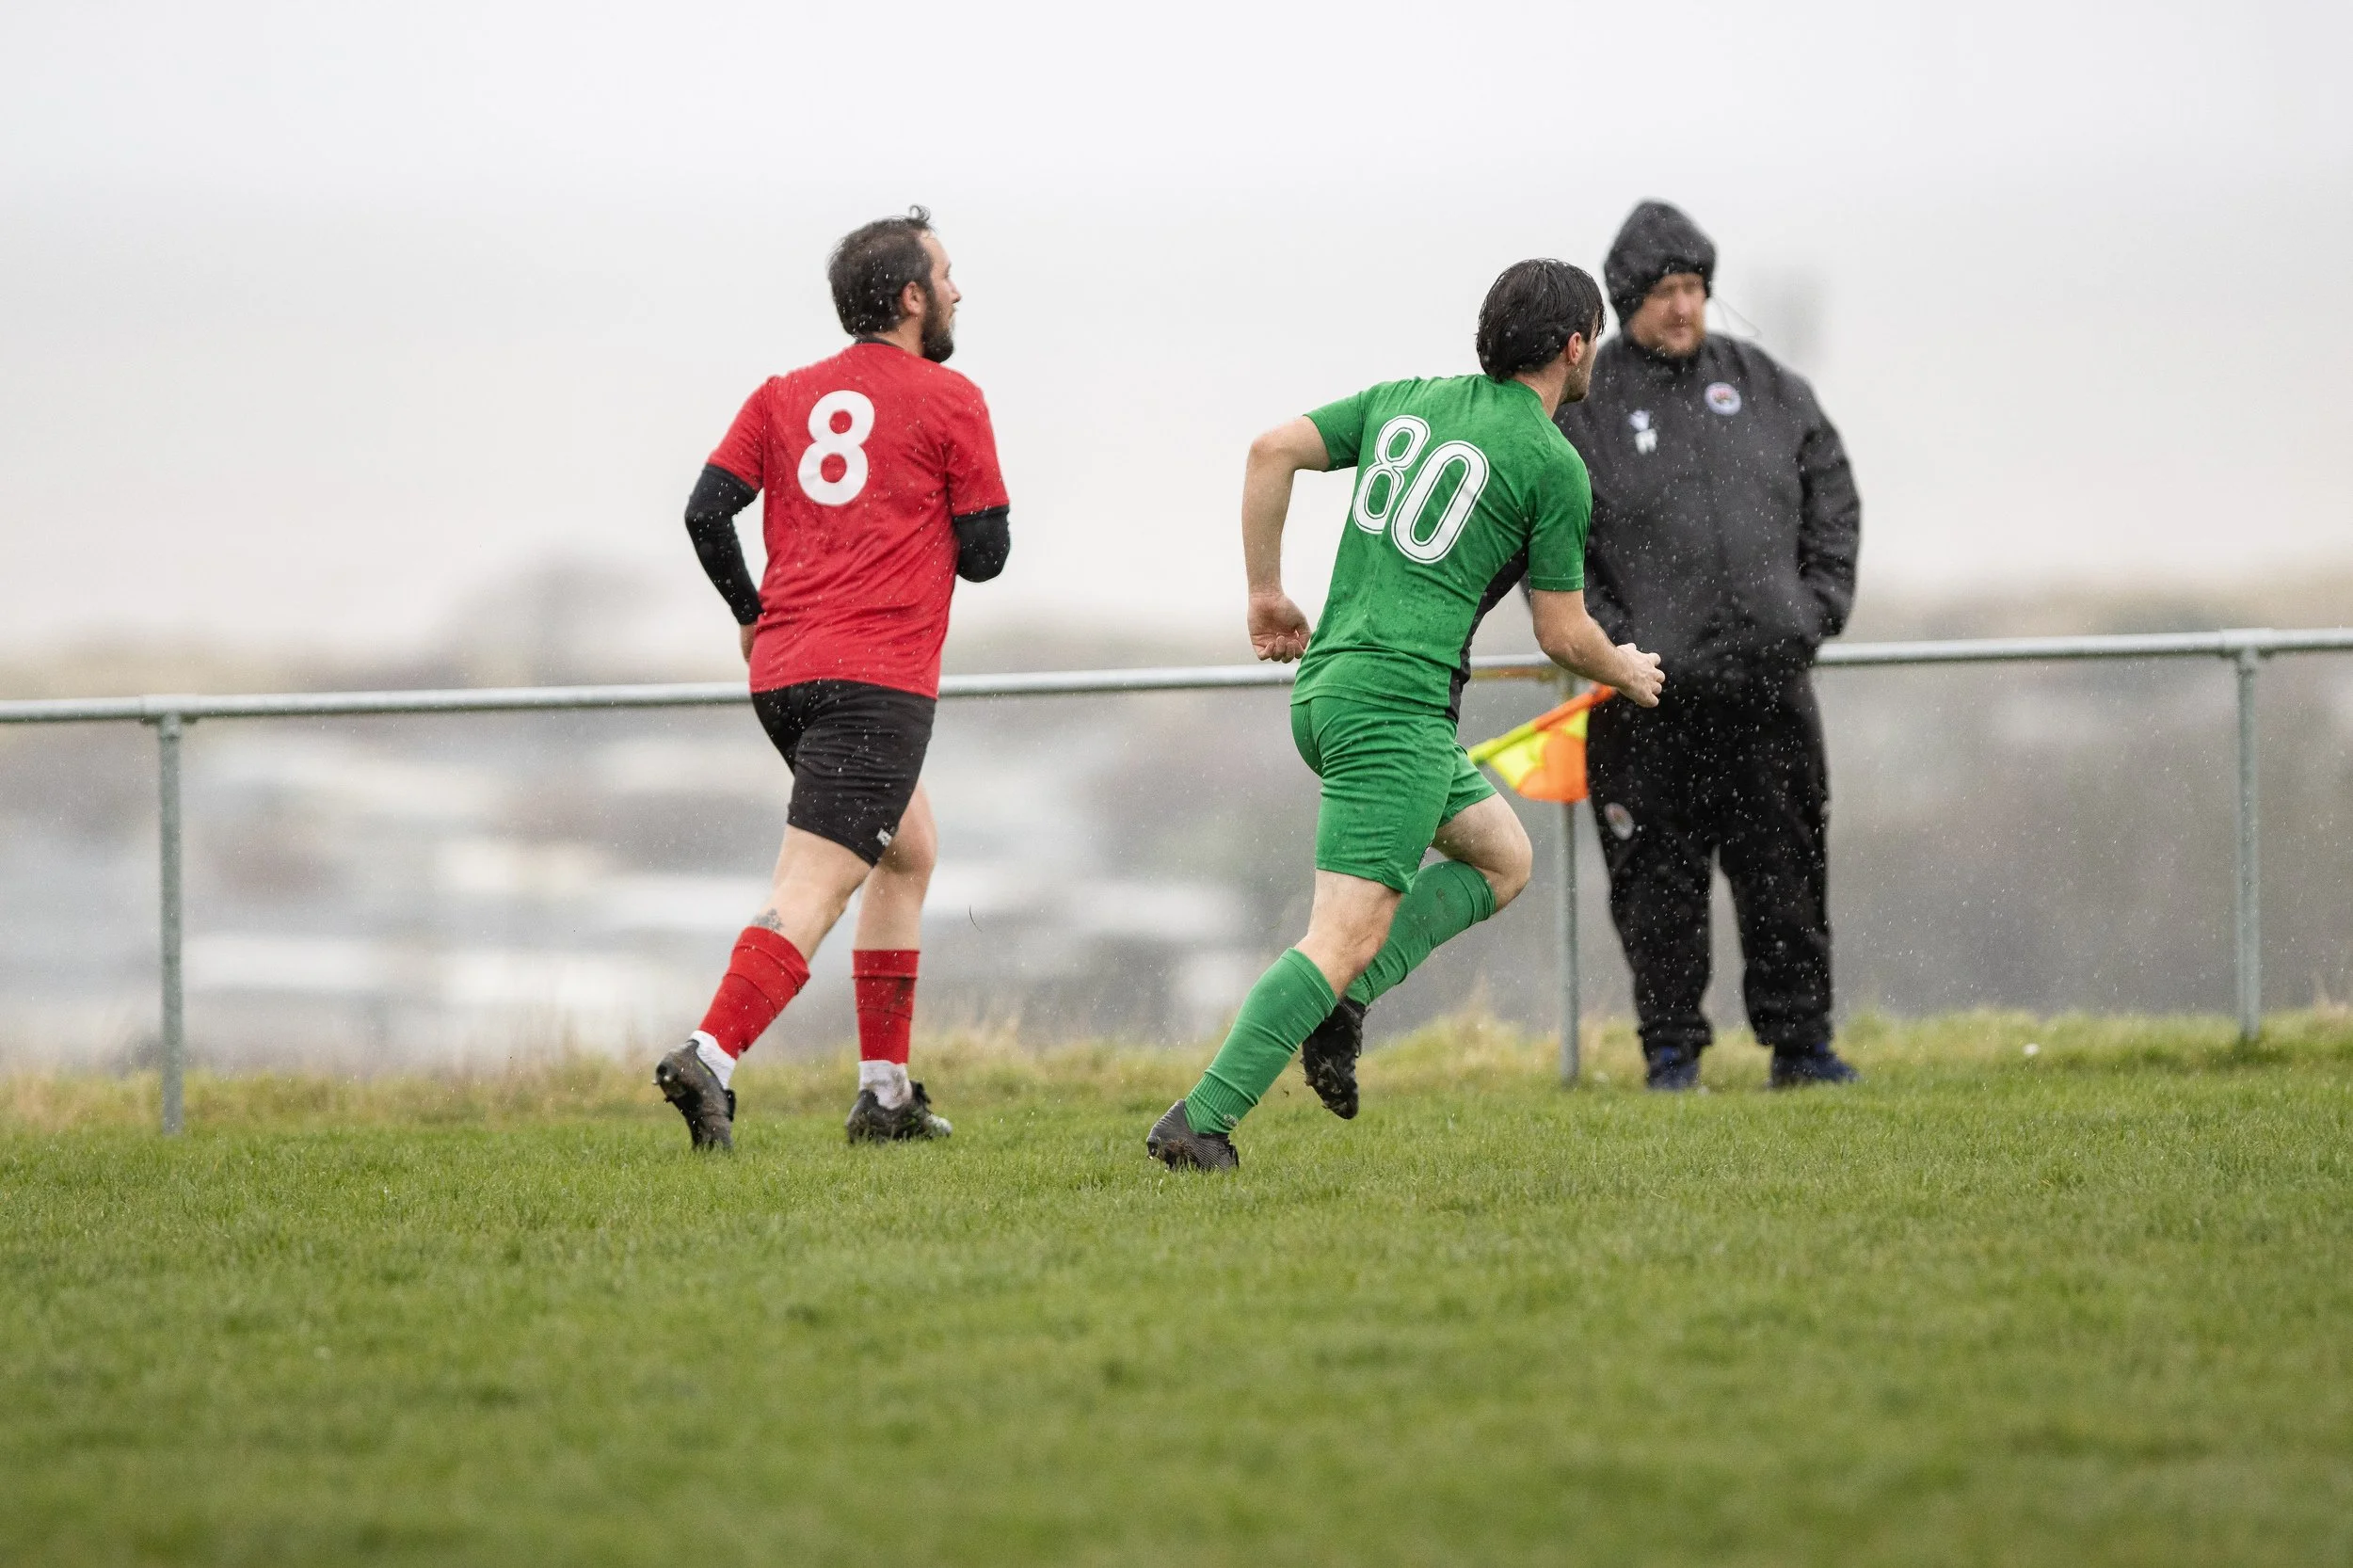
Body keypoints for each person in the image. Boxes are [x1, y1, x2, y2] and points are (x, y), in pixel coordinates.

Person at [1146, 260, 1665, 1172]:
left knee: (1503, 859)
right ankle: (1200, 1122)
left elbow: (1270, 450)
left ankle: (1342, 1001)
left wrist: (1266, 596)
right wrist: (1627, 670)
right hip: (1394, 712)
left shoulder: (1406, 398)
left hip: (1328, 692)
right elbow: (1561, 630)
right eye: (1597, 339)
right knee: (1340, 934)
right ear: (1575, 347)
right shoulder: (1553, 465)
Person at [653, 206, 1012, 1152]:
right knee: (814, 885)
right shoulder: (951, 397)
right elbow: (987, 556)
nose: (957, 290)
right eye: (945, 275)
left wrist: (749, 610)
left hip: (783, 674)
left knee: (908, 851)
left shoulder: (782, 394)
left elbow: (704, 514)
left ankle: (885, 1097)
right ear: (909, 297)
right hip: (875, 681)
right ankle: (709, 1055)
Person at [1553, 200, 1862, 1091]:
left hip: (1770, 692)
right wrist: (1616, 645)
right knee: (1658, 888)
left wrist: (1816, 610)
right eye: (1662, 293)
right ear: (1626, 301)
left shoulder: (1766, 384)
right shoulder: (1589, 406)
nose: (1682, 307)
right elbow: (1559, 546)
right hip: (1645, 704)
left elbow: (1831, 493)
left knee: (1788, 878)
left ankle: (1802, 1048)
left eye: (1693, 288)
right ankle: (1672, 1053)